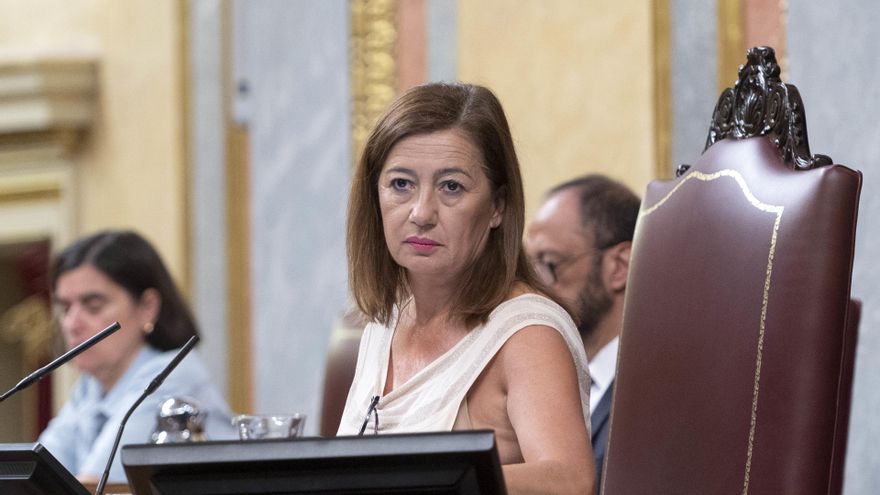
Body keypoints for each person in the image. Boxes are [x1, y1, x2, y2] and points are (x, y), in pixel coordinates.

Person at [338, 82, 595, 494]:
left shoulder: (527, 334)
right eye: (401, 184)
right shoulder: (385, 321)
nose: (421, 213)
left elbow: (570, 481)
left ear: (498, 207)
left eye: (451, 187)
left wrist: (420, 484)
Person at [39, 230, 236, 483]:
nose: (72, 323)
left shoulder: (173, 378)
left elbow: (96, 486)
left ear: (147, 307)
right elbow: (34, 478)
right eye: (65, 307)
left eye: (93, 305)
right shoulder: (88, 390)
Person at [526, 175, 640, 491]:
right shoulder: (539, 381)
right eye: (528, 268)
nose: (533, 288)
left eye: (549, 263)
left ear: (619, 266)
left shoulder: (653, 392)